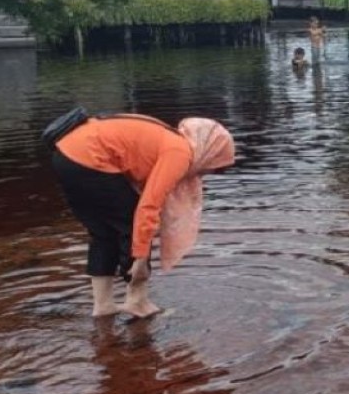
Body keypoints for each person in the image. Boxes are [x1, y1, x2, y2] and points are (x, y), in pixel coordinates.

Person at [51, 114, 235, 318]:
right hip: (90, 157)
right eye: (213, 167)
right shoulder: (180, 152)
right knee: (133, 225)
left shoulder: (167, 136)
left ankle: (103, 306)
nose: (204, 174)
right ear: (209, 150)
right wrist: (140, 257)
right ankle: (137, 301)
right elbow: (148, 206)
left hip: (66, 155)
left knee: (103, 233)